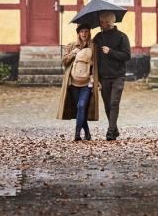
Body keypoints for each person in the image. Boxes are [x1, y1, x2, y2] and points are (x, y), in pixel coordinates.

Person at [56, 23, 99, 141]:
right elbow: (64, 62)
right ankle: (88, 133)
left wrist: (97, 79)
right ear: (78, 33)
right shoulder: (71, 45)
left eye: (86, 31)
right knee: (80, 109)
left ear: (89, 32)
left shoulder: (94, 47)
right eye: (82, 32)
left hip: (87, 83)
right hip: (73, 83)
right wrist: (74, 52)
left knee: (81, 105)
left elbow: (97, 64)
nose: (84, 34)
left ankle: (76, 133)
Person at [92, 11, 130, 141]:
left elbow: (127, 55)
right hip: (103, 77)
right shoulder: (98, 38)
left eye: (104, 22)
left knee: (114, 103)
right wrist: (96, 78)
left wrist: (111, 51)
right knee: (107, 105)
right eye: (101, 22)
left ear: (109, 22)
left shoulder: (122, 37)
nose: (102, 24)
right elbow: (94, 59)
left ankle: (110, 130)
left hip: (118, 76)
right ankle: (114, 128)